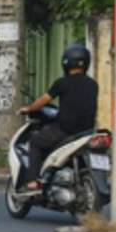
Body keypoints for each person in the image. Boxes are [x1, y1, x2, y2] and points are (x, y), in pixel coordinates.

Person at [17, 43, 99, 192]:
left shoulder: (62, 83)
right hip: (87, 131)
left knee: (35, 143)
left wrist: (28, 108)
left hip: (66, 130)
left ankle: (32, 182)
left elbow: (44, 101)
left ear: (66, 62)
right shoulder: (93, 84)